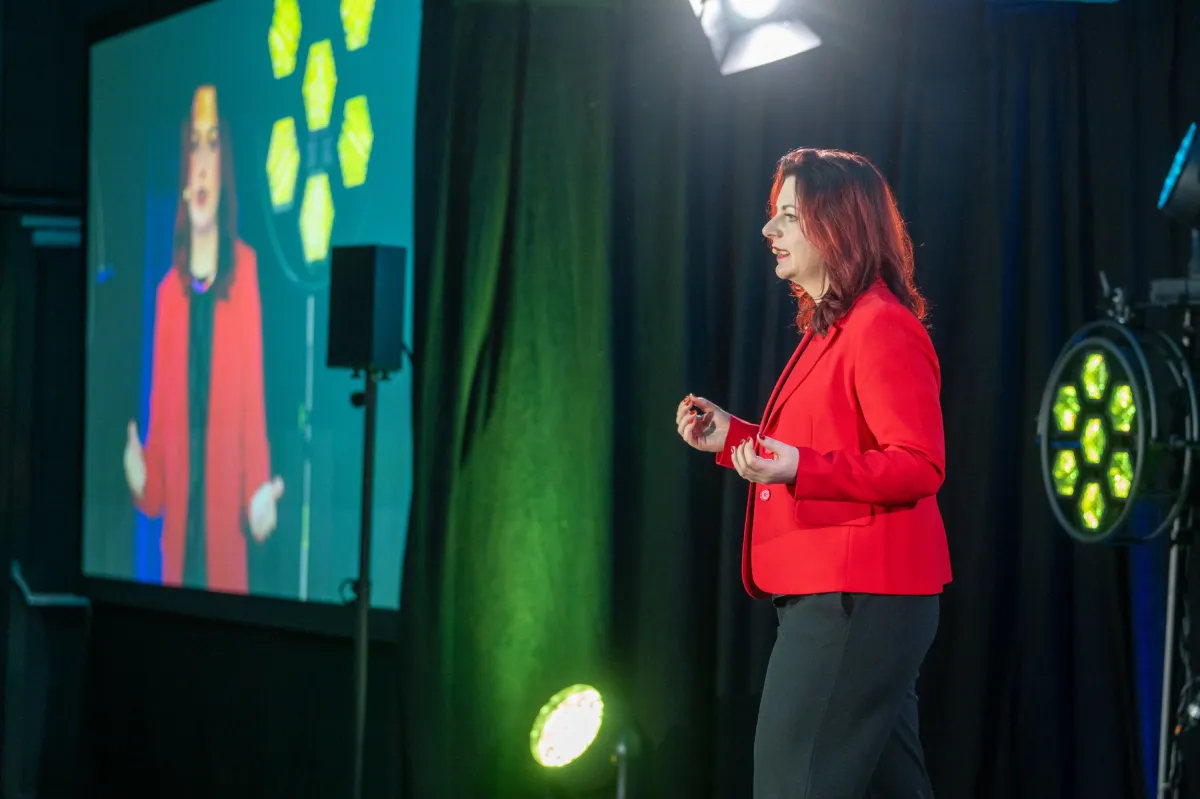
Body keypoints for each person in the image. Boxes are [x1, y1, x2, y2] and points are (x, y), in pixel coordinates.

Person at [675, 148, 950, 798]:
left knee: (792, 783)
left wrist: (794, 463)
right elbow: (816, 450)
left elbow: (918, 464)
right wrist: (735, 437)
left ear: (838, 225)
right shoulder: (834, 329)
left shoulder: (883, 326)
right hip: (847, 595)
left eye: (789, 217)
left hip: (856, 596)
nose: (770, 231)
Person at [123, 85, 284, 594]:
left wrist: (258, 493)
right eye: (193, 144)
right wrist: (139, 475)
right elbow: (157, 475)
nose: (201, 165)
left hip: (226, 563)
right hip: (175, 566)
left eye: (213, 145)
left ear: (227, 162)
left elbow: (254, 409)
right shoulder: (167, 294)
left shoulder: (247, 272)